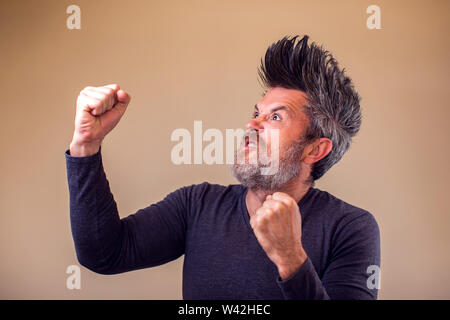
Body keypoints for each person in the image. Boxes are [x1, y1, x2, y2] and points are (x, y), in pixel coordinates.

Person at [65, 35, 380, 299]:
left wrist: (290, 258)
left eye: (275, 117)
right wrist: (85, 146)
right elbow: (104, 254)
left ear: (315, 149)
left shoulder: (350, 229)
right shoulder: (197, 206)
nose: (251, 123)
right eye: (256, 112)